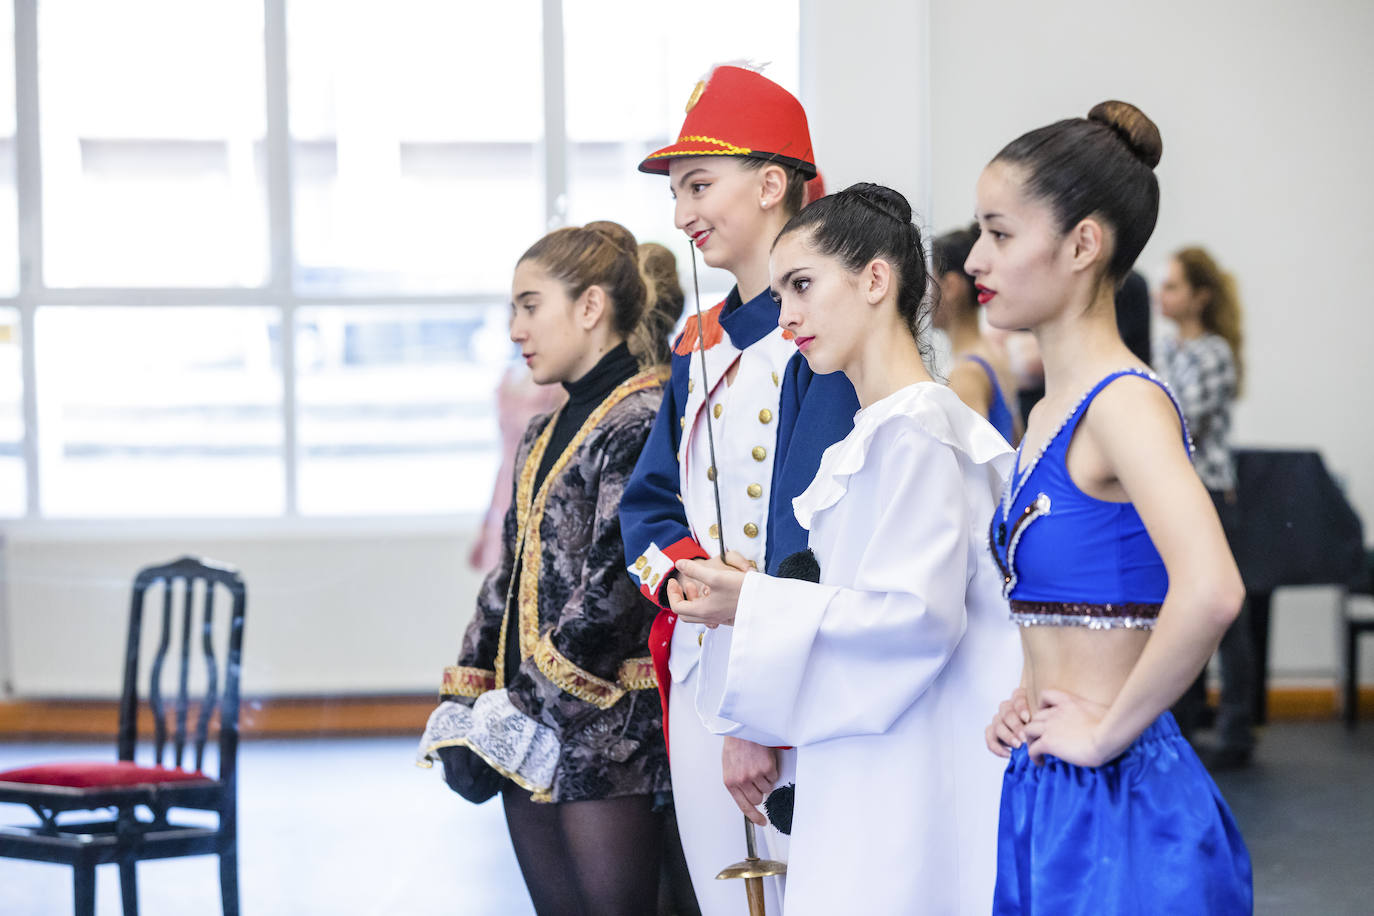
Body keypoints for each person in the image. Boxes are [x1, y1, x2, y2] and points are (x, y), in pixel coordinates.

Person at [669, 183, 1023, 914]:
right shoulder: (879, 431)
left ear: (874, 279)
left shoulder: (920, 431)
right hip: (869, 746)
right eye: (778, 292)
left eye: (801, 285)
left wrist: (758, 602)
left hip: (909, 759)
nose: (787, 315)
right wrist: (758, 601)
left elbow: (916, 620)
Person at [975, 101, 1252, 914]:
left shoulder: (1123, 404)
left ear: (1083, 244)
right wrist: (1025, 688)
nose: (979, 260)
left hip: (1125, 798)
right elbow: (1065, 597)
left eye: (1000, 232)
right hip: (1048, 788)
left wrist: (1103, 731)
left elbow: (1212, 591)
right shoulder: (1048, 415)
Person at [619, 64, 860, 914]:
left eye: (698, 185)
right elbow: (646, 505)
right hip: (706, 664)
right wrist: (686, 584)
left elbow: (822, 537)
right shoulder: (698, 343)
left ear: (769, 184)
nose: (682, 215)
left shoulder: (829, 336)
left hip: (799, 675)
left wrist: (754, 707)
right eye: (677, 192)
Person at [418, 220, 677, 916]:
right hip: (531, 730)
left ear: (590, 307)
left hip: (607, 737)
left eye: (530, 305)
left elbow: (616, 589)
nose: (514, 328)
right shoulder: (544, 426)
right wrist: (470, 700)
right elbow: (511, 573)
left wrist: (519, 709)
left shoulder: (642, 418)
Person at [1159, 246, 1254, 769]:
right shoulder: (1167, 348)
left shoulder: (1214, 352)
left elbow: (1181, 418)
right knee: (1181, 607)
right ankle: (1185, 725)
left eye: (1173, 286)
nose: (1162, 295)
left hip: (1211, 494)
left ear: (1200, 297)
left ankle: (1237, 729)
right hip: (1179, 494)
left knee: (1225, 615)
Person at [933, 223, 1024, 444]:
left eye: (928, 280)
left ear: (951, 287)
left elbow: (966, 468)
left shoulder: (967, 374)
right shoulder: (991, 354)